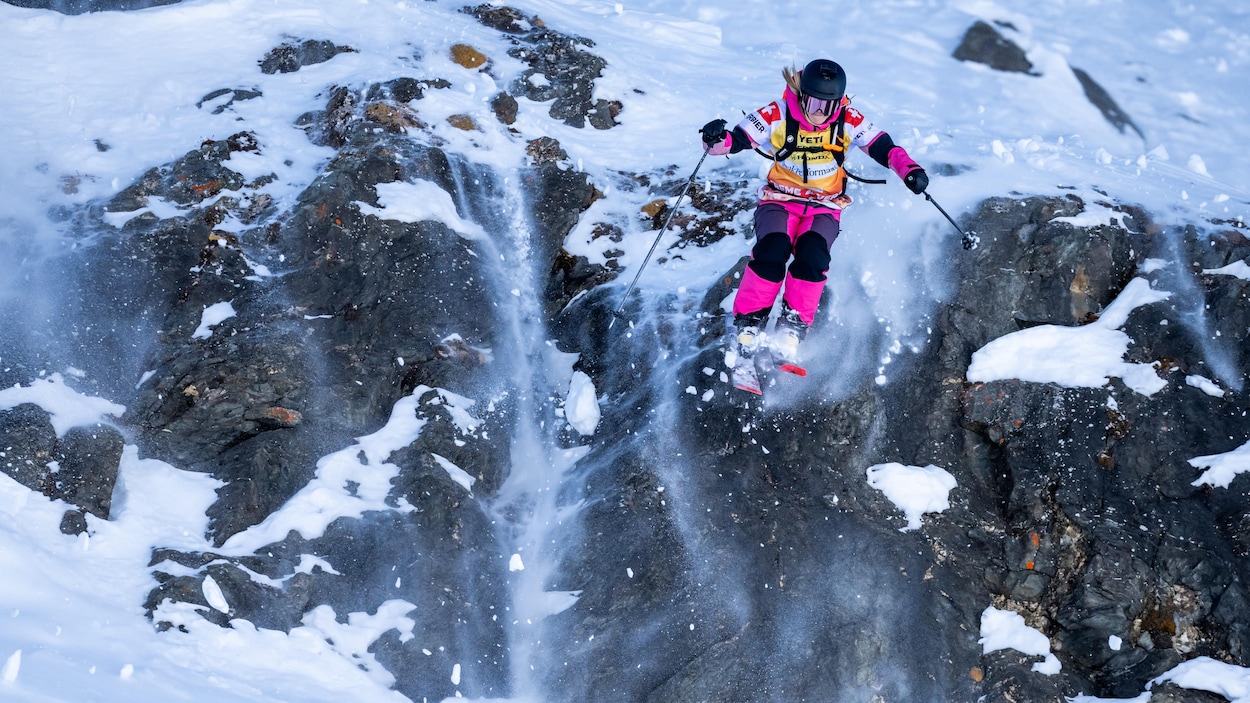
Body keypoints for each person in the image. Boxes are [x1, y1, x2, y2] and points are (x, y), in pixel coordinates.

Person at [700, 58, 929, 365]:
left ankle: (791, 327)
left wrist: (909, 170)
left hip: (824, 206)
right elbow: (736, 140)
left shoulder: (848, 118)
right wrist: (715, 139)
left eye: (829, 106)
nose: (821, 112)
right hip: (779, 199)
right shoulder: (777, 113)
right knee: (773, 250)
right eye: (815, 102)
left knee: (813, 256)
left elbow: (883, 146)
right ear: (802, 94)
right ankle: (749, 323)